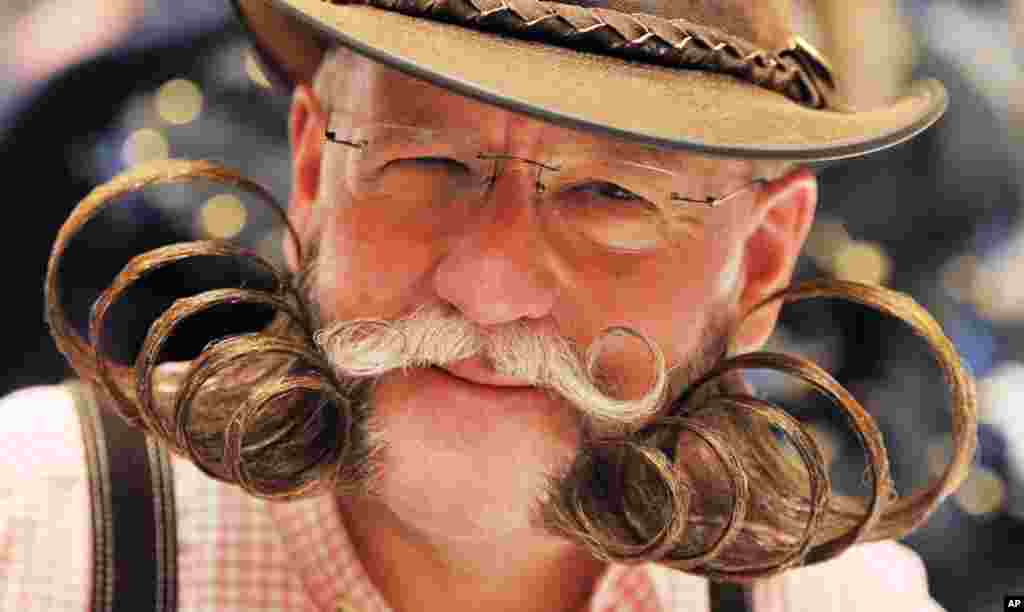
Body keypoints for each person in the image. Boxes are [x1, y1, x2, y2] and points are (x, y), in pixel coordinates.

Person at [2, 0, 977, 611]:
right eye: (425, 162)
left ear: (761, 258)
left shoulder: (835, 603)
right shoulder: (42, 530)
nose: (487, 286)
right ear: (311, 173)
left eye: (612, 195)